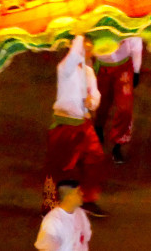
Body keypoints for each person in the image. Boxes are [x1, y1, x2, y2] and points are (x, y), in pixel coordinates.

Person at [43, 35, 107, 218]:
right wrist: (80, 29)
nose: (89, 54)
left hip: (84, 124)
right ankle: (49, 205)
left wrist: (92, 102)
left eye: (90, 51)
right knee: (56, 168)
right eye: (85, 50)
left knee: (95, 158)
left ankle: (88, 198)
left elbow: (95, 94)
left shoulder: (88, 72)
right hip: (65, 125)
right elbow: (73, 55)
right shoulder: (65, 69)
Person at [93, 36, 143, 164]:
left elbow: (136, 43)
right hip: (101, 70)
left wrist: (136, 70)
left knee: (125, 108)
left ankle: (118, 144)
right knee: (100, 104)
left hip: (123, 69)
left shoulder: (125, 20)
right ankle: (98, 127)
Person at [36, 179, 92, 251]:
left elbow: (85, 238)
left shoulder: (80, 213)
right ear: (68, 197)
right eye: (78, 192)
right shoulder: (52, 222)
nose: (82, 194)